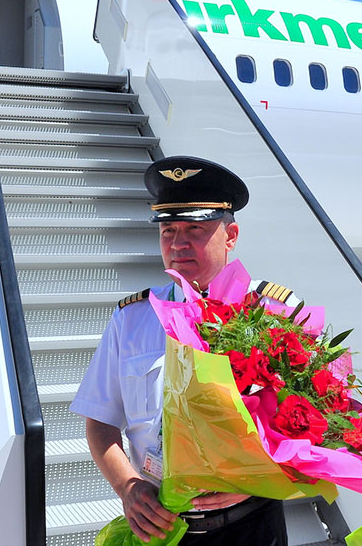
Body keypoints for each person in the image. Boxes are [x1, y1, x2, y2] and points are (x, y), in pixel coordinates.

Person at [71, 155, 297, 545]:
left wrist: (261, 477)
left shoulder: (275, 312)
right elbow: (100, 421)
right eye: (168, 230)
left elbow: (315, 428)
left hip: (252, 526)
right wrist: (127, 487)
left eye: (195, 228)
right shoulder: (132, 319)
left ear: (231, 235)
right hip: (162, 527)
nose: (178, 243)